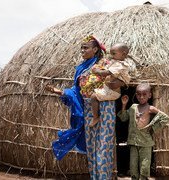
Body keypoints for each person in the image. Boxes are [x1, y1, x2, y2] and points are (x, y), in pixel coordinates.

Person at [45, 35, 119, 179]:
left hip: (105, 107)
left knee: (103, 147)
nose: (82, 51)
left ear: (95, 49)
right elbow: (76, 91)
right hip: (88, 108)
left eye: (86, 48)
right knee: (91, 148)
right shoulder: (81, 69)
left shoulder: (106, 63)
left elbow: (121, 77)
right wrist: (59, 91)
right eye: (81, 48)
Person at [117, 83, 169, 180]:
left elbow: (165, 118)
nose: (141, 97)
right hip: (133, 142)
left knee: (144, 167)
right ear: (136, 95)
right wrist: (124, 105)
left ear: (150, 95)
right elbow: (123, 118)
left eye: (144, 94)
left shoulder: (151, 108)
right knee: (133, 167)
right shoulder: (133, 108)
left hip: (146, 143)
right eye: (139, 94)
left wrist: (152, 127)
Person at [90, 43, 131, 127]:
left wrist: (97, 71)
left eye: (114, 53)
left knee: (93, 97)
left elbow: (107, 72)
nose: (112, 56)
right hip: (109, 90)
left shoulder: (121, 65)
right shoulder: (115, 62)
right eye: (111, 53)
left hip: (112, 92)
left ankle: (95, 117)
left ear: (123, 54)